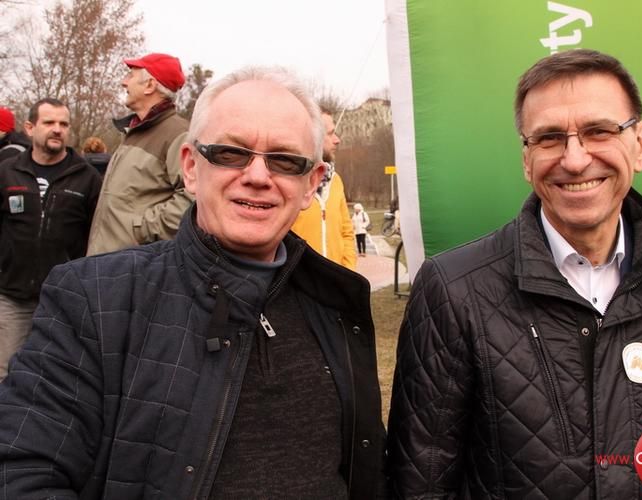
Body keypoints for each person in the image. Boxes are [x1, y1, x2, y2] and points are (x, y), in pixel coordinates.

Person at [0, 67, 385, 499]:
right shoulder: (95, 299)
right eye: (230, 153)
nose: (258, 176)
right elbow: (21, 471)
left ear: (311, 184)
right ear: (190, 168)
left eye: (284, 160)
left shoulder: (337, 306)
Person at [387, 49, 642, 498]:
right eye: (550, 138)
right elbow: (420, 485)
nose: (575, 159)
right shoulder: (453, 290)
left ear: (639, 145)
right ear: (526, 159)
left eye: (599, 131)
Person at [0, 98, 101, 382]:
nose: (57, 129)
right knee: (6, 373)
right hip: (12, 297)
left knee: (53, 377)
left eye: (63, 124)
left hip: (62, 299)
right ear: (30, 128)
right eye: (49, 122)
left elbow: (95, 235)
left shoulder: (88, 178)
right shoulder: (7, 171)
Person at [87, 52, 192, 255]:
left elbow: (193, 198)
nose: (124, 82)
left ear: (150, 85)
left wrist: (141, 230)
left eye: (131, 76)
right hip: (106, 263)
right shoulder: (133, 132)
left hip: (135, 265)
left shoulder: (179, 134)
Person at [291, 106, 356, 270]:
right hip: (299, 282)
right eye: (330, 133)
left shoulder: (336, 180)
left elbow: (347, 232)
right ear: (314, 138)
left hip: (335, 280)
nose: (337, 140)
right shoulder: (290, 182)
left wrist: (347, 271)